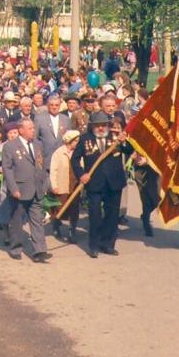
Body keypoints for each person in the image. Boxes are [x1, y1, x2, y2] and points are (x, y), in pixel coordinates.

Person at [71, 111, 130, 258]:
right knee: (95, 215)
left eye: (104, 125)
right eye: (98, 126)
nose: (102, 128)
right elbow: (74, 160)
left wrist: (125, 142)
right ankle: (94, 246)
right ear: (92, 126)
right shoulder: (85, 139)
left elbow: (129, 151)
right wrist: (81, 174)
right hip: (95, 183)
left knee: (112, 216)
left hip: (114, 182)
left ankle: (108, 244)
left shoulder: (116, 137)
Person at [2, 119, 51, 262]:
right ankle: (15, 248)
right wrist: (13, 188)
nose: (33, 130)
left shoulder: (38, 144)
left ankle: (40, 250)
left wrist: (44, 183)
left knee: (37, 220)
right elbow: (7, 169)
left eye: (33, 128)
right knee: (17, 220)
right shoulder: (10, 146)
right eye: (30, 128)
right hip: (20, 190)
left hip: (37, 188)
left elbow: (41, 165)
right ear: (21, 130)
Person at [49, 130, 82, 242]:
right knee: (59, 208)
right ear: (69, 141)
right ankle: (56, 226)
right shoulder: (58, 153)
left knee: (74, 209)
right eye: (76, 141)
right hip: (61, 185)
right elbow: (53, 171)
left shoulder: (78, 152)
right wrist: (54, 185)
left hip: (75, 185)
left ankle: (72, 230)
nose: (78, 143)